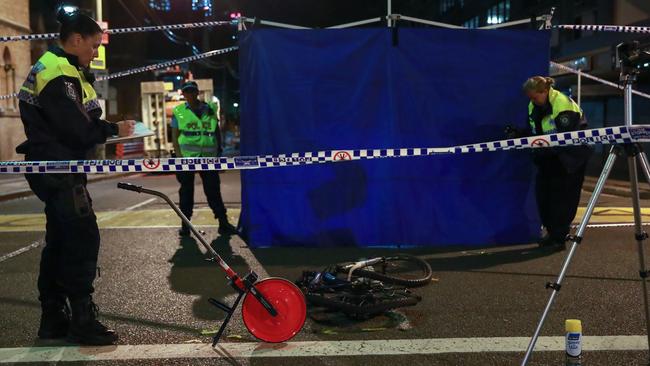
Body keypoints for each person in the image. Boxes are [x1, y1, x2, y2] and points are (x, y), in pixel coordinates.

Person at [15, 6, 135, 345]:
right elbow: (76, 128)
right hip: (58, 168)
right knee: (82, 237)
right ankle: (81, 319)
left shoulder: (65, 69)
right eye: (94, 45)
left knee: (61, 241)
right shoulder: (58, 71)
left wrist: (105, 129)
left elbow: (77, 121)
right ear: (77, 39)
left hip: (57, 166)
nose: (95, 52)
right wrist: (114, 129)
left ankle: (53, 318)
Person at [507, 76, 592, 250]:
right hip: (549, 157)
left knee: (562, 199)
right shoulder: (534, 105)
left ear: (545, 91)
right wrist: (519, 134)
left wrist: (543, 148)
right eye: (530, 97)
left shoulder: (562, 104)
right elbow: (535, 132)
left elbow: (565, 138)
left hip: (570, 159)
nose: (532, 101)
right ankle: (552, 234)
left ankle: (559, 238)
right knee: (544, 196)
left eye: (534, 97)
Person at [171, 81, 238, 236]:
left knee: (213, 190)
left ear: (197, 92)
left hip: (208, 157)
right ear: (184, 94)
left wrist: (218, 151)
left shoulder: (209, 109)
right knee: (186, 192)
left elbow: (216, 131)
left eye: (192, 91)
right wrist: (180, 156)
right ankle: (185, 225)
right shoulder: (179, 111)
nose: (190, 94)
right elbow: (175, 136)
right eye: (187, 91)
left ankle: (223, 222)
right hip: (187, 158)